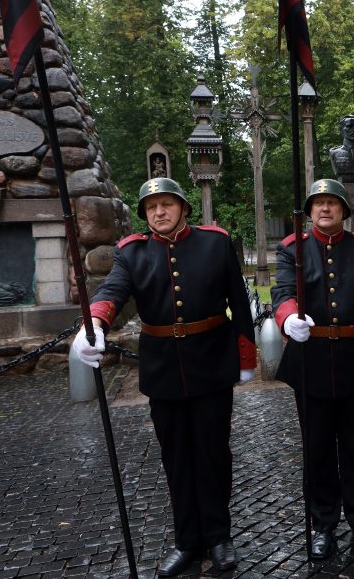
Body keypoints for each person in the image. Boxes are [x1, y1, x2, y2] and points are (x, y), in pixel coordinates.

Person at [73, 177, 256, 577]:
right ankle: (187, 540)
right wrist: (95, 323)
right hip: (164, 371)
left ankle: (219, 536)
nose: (159, 211)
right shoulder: (131, 253)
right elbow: (112, 292)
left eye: (167, 203)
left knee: (212, 453)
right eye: (151, 206)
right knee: (176, 457)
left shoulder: (215, 242)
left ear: (183, 207)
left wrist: (246, 354)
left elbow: (238, 301)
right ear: (144, 214)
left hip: (210, 364)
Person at [271, 178, 354, 559]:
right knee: (318, 448)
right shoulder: (292, 249)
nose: (325, 209)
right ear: (309, 212)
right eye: (318, 203)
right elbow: (282, 293)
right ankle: (323, 523)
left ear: (344, 210)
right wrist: (288, 318)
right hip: (312, 361)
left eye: (332, 203)